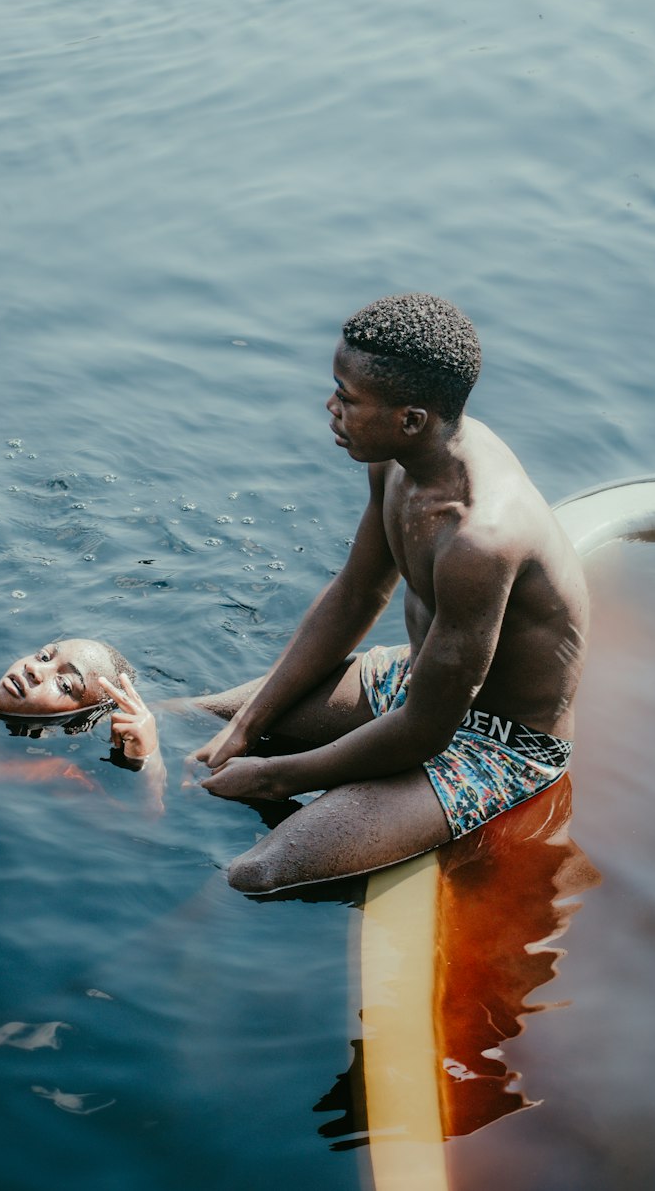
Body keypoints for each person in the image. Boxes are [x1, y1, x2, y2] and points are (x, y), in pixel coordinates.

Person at [192, 292, 589, 894]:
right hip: (420, 680)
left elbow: (428, 731)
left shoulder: (480, 538)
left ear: (410, 418)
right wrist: (248, 725)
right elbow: (355, 595)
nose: (331, 408)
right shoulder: (398, 458)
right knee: (199, 722)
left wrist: (274, 777)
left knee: (255, 873)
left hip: (498, 742)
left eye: (347, 399)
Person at [0, 638, 165, 805]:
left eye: (64, 683)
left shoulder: (52, 772)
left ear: (77, 724)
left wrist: (149, 762)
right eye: (45, 656)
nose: (34, 669)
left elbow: (141, 834)